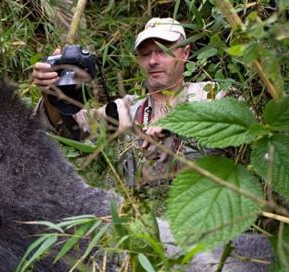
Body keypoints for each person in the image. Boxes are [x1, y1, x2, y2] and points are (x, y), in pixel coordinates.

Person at [32, 18, 227, 188]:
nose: (152, 61)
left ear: (185, 53)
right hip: (143, 223)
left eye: (162, 51)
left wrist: (174, 122)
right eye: (145, 54)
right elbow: (67, 129)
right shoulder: (124, 110)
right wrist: (52, 93)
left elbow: (244, 118)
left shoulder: (212, 94)